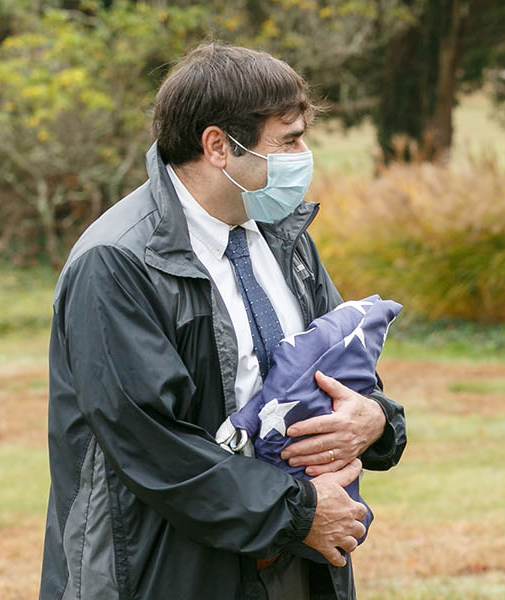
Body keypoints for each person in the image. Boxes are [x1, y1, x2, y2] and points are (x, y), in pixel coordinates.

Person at [42, 43, 407, 600]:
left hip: (295, 561)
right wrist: (300, 512)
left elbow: (338, 367)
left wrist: (375, 420)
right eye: (288, 139)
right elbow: (152, 443)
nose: (304, 154)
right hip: (165, 569)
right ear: (218, 146)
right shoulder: (116, 262)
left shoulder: (285, 237)